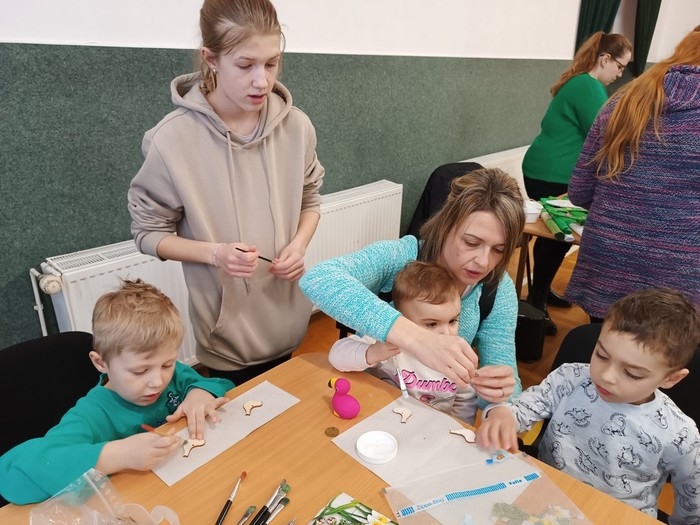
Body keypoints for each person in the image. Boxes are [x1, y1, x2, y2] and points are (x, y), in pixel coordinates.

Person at [128, 0, 325, 385]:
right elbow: (148, 234)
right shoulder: (170, 141)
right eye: (246, 65)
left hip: (289, 324)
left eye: (271, 63)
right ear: (211, 59)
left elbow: (311, 200)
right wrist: (215, 254)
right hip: (226, 341)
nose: (262, 81)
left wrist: (299, 245)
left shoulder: (297, 127)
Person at [301, 167, 525, 405]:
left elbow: (504, 375)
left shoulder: (496, 289)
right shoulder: (403, 257)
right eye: (471, 242)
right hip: (366, 398)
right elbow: (319, 278)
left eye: (498, 250)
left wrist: (500, 401)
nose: (484, 262)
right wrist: (418, 340)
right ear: (445, 225)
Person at [476, 287, 700, 523]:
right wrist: (502, 413)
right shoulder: (569, 378)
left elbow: (692, 501)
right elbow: (521, 409)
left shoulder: (681, 435)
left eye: (632, 373)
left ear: (671, 378)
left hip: (616, 517)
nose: (606, 376)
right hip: (547, 494)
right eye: (602, 355)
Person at [0, 280, 233, 505]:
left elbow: (224, 385)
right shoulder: (90, 415)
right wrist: (118, 455)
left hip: (191, 487)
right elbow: (11, 475)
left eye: (167, 364)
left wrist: (200, 393)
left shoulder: (173, 374)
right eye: (140, 371)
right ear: (101, 363)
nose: (157, 381)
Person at [565, 26, 700, 322]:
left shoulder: (624, 99)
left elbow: (579, 190)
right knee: (668, 348)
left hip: (609, 256)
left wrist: (624, 212)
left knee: (604, 343)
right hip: (682, 275)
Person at [522, 31, 631, 335]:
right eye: (620, 66)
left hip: (546, 168)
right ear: (605, 59)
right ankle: (536, 301)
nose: (620, 74)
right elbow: (609, 135)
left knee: (554, 239)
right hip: (550, 171)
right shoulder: (588, 86)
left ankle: (540, 291)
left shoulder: (582, 82)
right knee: (557, 238)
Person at [329, 261, 480, 423]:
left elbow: (466, 401)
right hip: (384, 422)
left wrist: (456, 428)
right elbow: (336, 356)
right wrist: (372, 352)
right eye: (432, 324)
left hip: (433, 430)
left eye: (452, 321)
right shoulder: (387, 343)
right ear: (401, 319)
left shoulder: (458, 355)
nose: (446, 333)